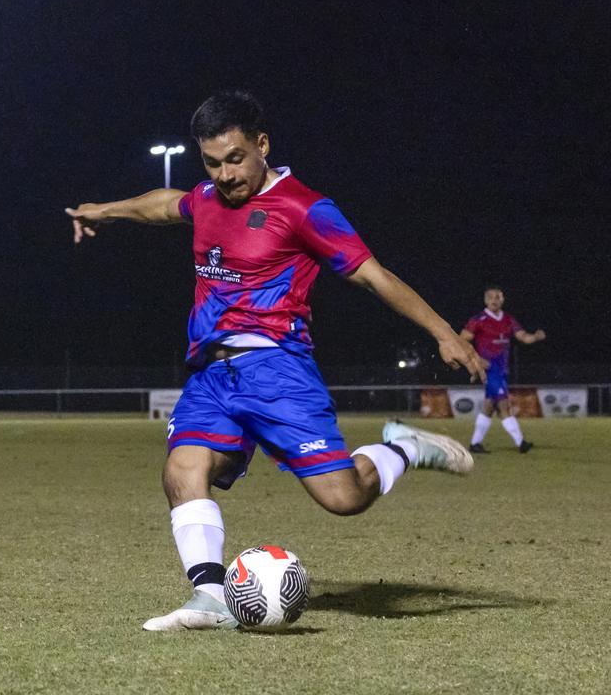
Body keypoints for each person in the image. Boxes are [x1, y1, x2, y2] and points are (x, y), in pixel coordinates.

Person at [65, 91, 484, 631]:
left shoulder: (306, 208)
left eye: (235, 158)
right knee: (182, 469)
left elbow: (373, 275)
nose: (224, 174)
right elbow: (167, 204)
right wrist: (109, 210)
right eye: (212, 163)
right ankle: (211, 598)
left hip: (278, 370)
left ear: (262, 145)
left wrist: (444, 333)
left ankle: (403, 448)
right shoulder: (209, 199)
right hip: (212, 373)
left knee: (344, 498)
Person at [461, 286, 545, 453]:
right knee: (504, 405)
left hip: (501, 369)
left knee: (489, 407)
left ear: (503, 299)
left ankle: (475, 444)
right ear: (485, 300)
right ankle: (521, 443)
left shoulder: (508, 319)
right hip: (490, 369)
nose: (494, 300)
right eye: (491, 297)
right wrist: (476, 359)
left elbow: (523, 337)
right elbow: (462, 340)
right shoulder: (479, 319)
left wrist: (534, 337)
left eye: (498, 297)